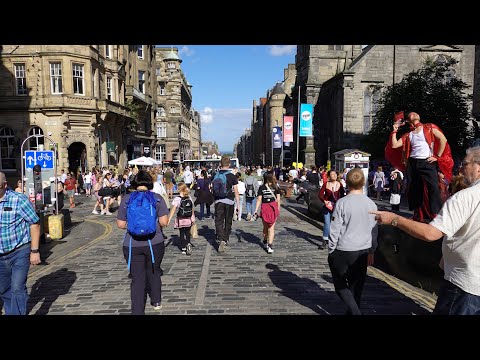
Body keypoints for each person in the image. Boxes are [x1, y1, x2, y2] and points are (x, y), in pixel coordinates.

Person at [370, 146, 480, 315]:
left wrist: (394, 219)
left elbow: (431, 233)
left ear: (478, 167)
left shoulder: (465, 197)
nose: (461, 168)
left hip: (465, 285)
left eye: (465, 164)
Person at [116, 170, 169, 315]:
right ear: (150, 184)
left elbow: (120, 224)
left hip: (132, 244)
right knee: (154, 271)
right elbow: (164, 222)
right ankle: (156, 301)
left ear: (134, 184)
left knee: (137, 279)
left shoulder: (127, 199)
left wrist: (135, 226)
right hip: (154, 242)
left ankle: (138, 311)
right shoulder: (157, 198)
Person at [385, 111, 454, 222]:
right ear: (407, 121)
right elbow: (394, 144)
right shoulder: (408, 134)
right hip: (412, 163)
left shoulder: (429, 127)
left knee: (433, 187)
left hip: (427, 161)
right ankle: (418, 214)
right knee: (414, 189)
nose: (415, 114)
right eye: (412, 114)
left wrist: (437, 156)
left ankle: (435, 213)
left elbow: (443, 139)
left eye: (416, 113)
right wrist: (394, 131)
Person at [327, 168, 378, 315]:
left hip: (343, 250)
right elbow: (374, 230)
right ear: (364, 182)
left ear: (347, 183)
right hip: (362, 250)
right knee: (357, 287)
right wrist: (372, 251)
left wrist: (331, 249)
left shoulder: (342, 203)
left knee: (340, 285)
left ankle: (356, 313)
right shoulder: (371, 205)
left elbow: (335, 229)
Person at [0, 172, 41, 315]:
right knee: (4, 289)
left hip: (19, 251)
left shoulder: (18, 200)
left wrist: (34, 251)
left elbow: (34, 223)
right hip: (0, 256)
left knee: (17, 288)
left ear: (4, 186)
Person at [213, 156, 240, 253]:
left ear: (220, 164)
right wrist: (238, 206)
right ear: (229, 165)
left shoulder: (215, 175)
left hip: (218, 201)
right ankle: (225, 239)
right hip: (229, 201)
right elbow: (236, 192)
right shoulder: (232, 176)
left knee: (219, 221)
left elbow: (211, 188)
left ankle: (220, 239)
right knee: (228, 221)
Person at [253, 173, 281, 254]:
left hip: (265, 208)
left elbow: (259, 200)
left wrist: (256, 210)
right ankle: (270, 246)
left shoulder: (261, 187)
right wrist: (278, 210)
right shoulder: (276, 187)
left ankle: (265, 242)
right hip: (273, 208)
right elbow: (278, 200)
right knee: (271, 228)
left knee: (265, 227)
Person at [318, 170, 345, 249]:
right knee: (327, 223)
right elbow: (320, 194)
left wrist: (340, 202)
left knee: (336, 224)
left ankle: (335, 240)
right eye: (332, 174)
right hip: (328, 207)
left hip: (336, 207)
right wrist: (324, 201)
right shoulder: (326, 184)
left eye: (335, 174)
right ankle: (325, 240)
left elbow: (343, 195)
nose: (334, 175)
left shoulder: (340, 184)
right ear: (329, 176)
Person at [167, 182, 196, 255]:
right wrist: (193, 217)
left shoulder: (177, 198)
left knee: (182, 233)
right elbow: (192, 208)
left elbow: (173, 209)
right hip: (188, 218)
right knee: (188, 232)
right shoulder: (189, 197)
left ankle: (183, 248)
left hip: (181, 219)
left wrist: (169, 219)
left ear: (179, 189)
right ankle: (188, 243)